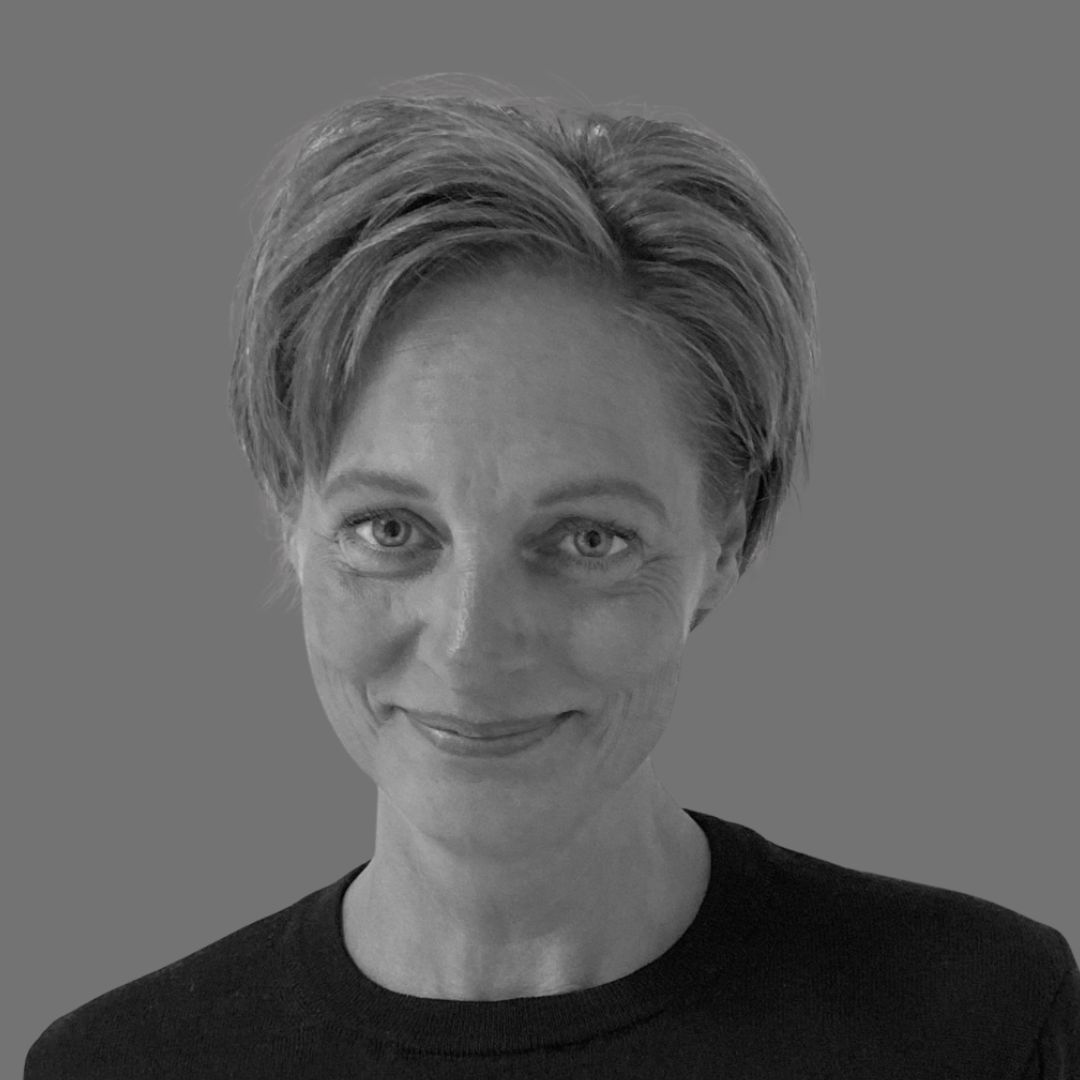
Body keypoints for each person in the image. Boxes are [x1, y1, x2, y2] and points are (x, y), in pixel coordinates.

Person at [25, 86, 1078, 1079]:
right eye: (391, 529)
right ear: (288, 520)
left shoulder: (980, 1023)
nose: (471, 645)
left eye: (587, 540)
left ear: (728, 540)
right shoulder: (122, 1064)